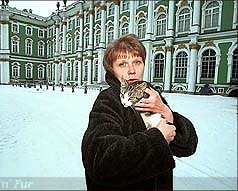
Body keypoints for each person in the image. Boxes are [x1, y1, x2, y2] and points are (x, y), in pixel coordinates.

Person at [81, 34, 198, 191]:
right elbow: (102, 161)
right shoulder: (109, 100)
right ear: (112, 69)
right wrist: (158, 137)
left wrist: (166, 111)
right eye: (122, 64)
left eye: (137, 62)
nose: (132, 70)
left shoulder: (150, 94)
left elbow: (187, 147)